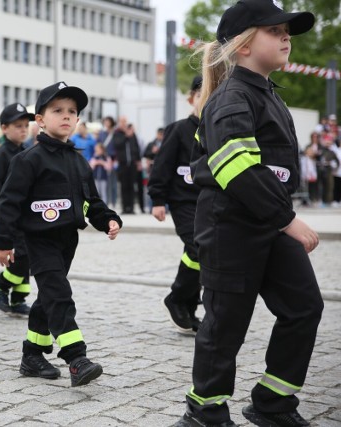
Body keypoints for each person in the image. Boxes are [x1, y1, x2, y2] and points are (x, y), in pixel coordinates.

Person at [175, 2, 324, 426]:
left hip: (269, 225)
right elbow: (234, 166)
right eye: (274, 30)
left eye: (287, 31)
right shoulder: (232, 96)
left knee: (304, 308)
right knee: (225, 326)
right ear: (242, 46)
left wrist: (279, 219)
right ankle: (205, 411)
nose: (286, 37)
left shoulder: (266, 93)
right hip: (231, 230)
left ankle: (272, 402)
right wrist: (287, 218)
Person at [0, 82, 122, 387]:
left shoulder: (78, 161)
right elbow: (9, 202)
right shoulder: (28, 160)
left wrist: (109, 220)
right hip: (38, 240)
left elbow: (92, 202)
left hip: (67, 242)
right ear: (40, 119)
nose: (66, 116)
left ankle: (32, 355)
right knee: (60, 295)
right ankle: (76, 358)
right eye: (57, 110)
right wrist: (3, 240)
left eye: (72, 111)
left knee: (47, 298)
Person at [148, 76, 203, 335]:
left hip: (210, 202)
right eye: (203, 95)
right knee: (197, 246)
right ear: (191, 98)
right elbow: (162, 166)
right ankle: (177, 298)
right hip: (183, 202)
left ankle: (189, 307)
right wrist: (158, 200)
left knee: (206, 252)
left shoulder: (219, 130)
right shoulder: (179, 129)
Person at [0, 103, 35, 316]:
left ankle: (18, 299)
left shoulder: (28, 151)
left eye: (26, 125)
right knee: (22, 255)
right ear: (4, 128)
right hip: (10, 215)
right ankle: (0, 286)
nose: (23, 129)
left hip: (28, 214)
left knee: (29, 256)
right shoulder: (1, 154)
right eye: (18, 125)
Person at [110, 117, 141, 214]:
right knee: (123, 186)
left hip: (132, 164)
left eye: (125, 122)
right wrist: (126, 136)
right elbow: (117, 144)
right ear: (119, 123)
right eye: (122, 122)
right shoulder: (117, 133)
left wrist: (138, 161)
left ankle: (131, 208)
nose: (124, 124)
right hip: (122, 164)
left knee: (131, 186)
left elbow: (137, 147)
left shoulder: (132, 133)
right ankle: (124, 208)